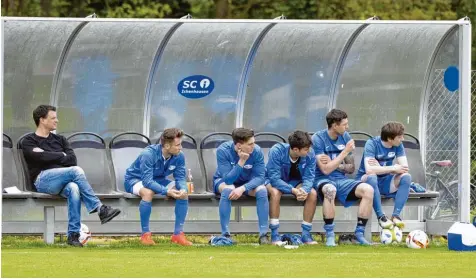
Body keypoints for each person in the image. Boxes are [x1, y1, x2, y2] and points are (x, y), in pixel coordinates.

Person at [22, 105, 121, 247]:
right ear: (42, 120)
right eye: (53, 118)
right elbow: (37, 158)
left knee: (74, 188)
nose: (57, 120)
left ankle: (73, 235)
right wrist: (60, 155)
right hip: (42, 180)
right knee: (76, 171)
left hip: (63, 180)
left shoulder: (60, 139)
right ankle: (100, 208)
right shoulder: (29, 141)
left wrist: (47, 154)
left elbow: (72, 159)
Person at [312, 109, 374, 245]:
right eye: (344, 124)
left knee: (368, 190)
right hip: (322, 180)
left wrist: (336, 165)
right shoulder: (318, 139)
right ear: (334, 125)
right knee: (330, 190)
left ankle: (359, 233)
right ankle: (329, 235)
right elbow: (325, 170)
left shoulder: (346, 137)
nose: (347, 127)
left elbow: (351, 168)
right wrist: (344, 152)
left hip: (342, 180)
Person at [124, 128, 192, 246]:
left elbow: (180, 177)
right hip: (135, 180)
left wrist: (182, 189)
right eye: (177, 145)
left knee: (183, 194)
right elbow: (147, 182)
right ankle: (145, 235)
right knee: (148, 192)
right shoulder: (148, 154)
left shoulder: (179, 156)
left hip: (158, 180)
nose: (180, 147)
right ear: (166, 146)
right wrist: (166, 191)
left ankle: (178, 235)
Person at [213, 128, 270, 244]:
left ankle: (263, 235)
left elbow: (260, 177)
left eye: (253, 142)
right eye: (250, 144)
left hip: (247, 183)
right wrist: (241, 161)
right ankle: (225, 235)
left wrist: (243, 188)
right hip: (224, 181)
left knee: (262, 190)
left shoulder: (257, 151)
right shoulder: (223, 150)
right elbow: (228, 180)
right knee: (228, 189)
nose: (253, 146)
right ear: (239, 145)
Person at [355, 121, 411, 229]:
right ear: (390, 139)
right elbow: (369, 171)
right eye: (399, 137)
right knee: (372, 177)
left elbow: (404, 168)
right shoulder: (371, 144)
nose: (402, 139)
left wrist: (380, 169)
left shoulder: (398, 145)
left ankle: (396, 216)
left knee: (406, 177)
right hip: (365, 182)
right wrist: (393, 168)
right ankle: (381, 217)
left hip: (385, 180)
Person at [266, 130, 318, 245]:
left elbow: (309, 177)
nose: (309, 151)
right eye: (306, 149)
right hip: (275, 181)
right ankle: (274, 235)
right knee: (275, 193)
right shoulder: (277, 151)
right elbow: (274, 179)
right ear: (295, 149)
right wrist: (293, 190)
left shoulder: (310, 154)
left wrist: (305, 190)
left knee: (312, 194)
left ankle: (306, 235)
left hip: (296, 182)